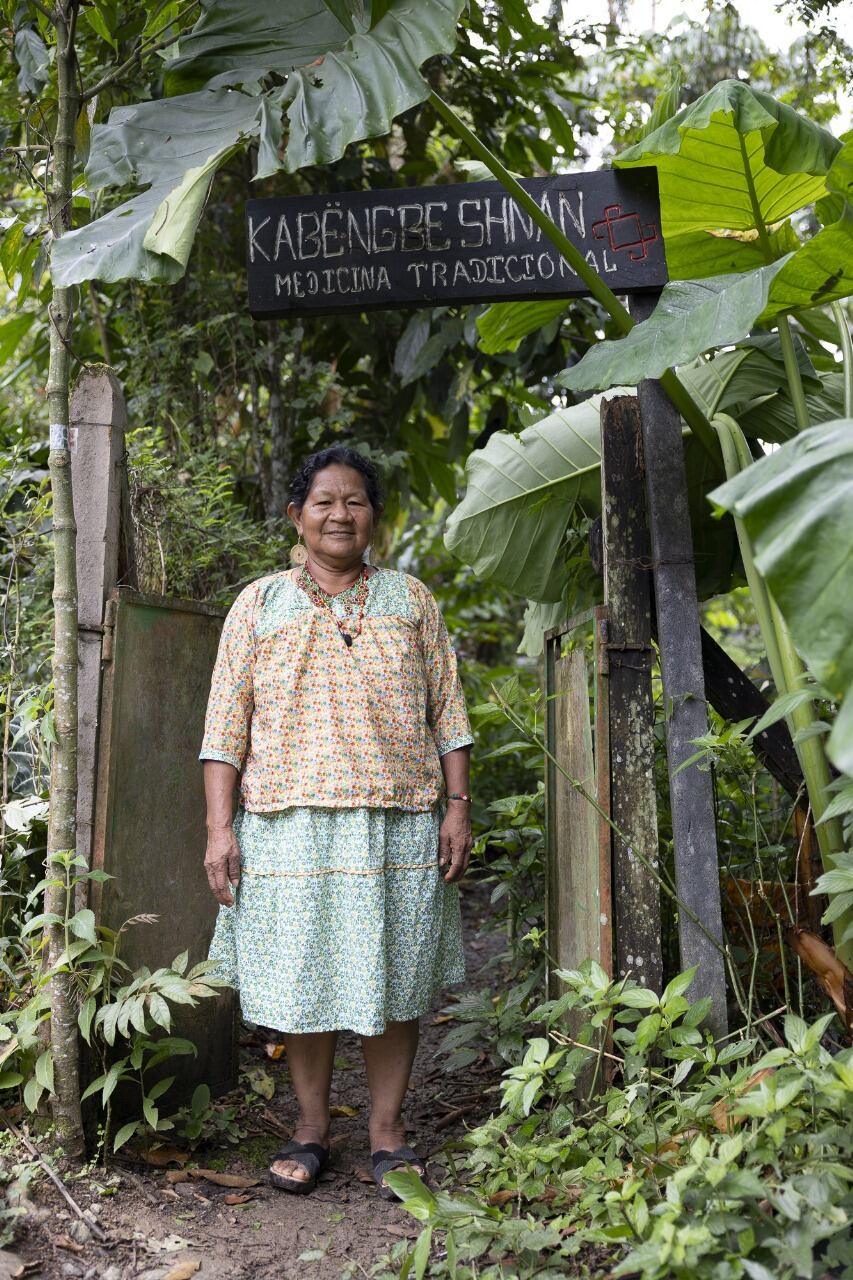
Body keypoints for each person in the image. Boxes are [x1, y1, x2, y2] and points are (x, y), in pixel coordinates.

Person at [199, 445, 473, 1199]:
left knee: (391, 981)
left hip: (395, 821)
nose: (339, 515)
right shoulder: (259, 604)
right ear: (296, 515)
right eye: (323, 501)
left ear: (374, 519)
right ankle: (311, 1128)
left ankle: (387, 1132)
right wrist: (220, 830)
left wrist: (457, 807)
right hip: (289, 826)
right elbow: (225, 727)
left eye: (354, 501)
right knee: (302, 982)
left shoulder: (411, 600)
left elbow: (448, 712)